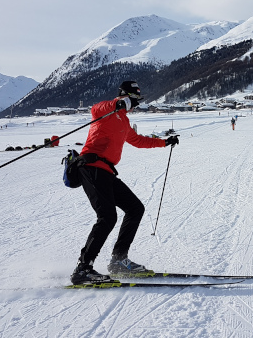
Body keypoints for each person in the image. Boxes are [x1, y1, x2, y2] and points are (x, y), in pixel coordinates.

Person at [70, 81, 180, 285]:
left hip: (107, 171)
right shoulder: (106, 112)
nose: (136, 104)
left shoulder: (124, 122)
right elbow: (96, 108)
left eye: (137, 101)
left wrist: (164, 142)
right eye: (134, 100)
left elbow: (138, 141)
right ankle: (83, 269)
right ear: (126, 97)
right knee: (107, 217)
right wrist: (117, 104)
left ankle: (119, 260)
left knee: (135, 208)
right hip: (91, 167)